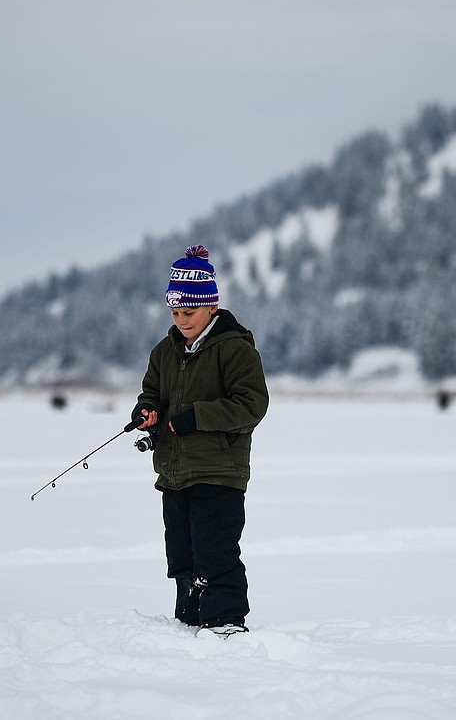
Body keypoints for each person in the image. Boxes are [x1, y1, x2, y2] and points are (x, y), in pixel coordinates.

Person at [132, 245, 269, 637]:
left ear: (210, 307)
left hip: (219, 473)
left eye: (188, 313)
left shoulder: (234, 349)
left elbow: (252, 405)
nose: (181, 320)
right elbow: (152, 394)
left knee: (216, 552)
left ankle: (225, 623)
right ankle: (189, 622)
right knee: (182, 556)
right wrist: (145, 413)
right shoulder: (165, 351)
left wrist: (198, 417)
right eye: (175, 313)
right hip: (174, 474)